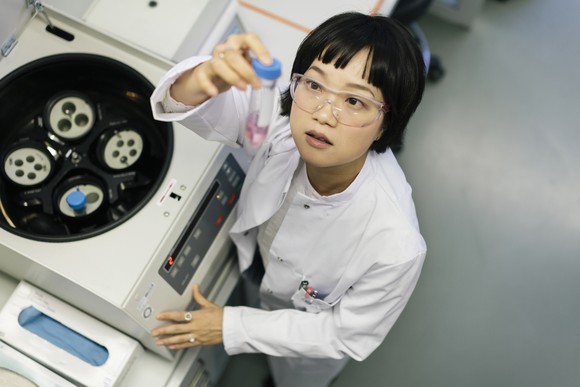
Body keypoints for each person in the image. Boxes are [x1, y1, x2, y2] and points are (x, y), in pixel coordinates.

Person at [150, 11, 426, 387]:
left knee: (294, 378)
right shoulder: (280, 128)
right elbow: (185, 105)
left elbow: (344, 334)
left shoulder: (395, 245)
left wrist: (232, 326)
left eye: (355, 102)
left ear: (386, 124)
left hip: (308, 349)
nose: (323, 114)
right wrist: (204, 78)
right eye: (314, 85)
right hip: (260, 273)